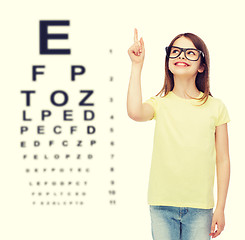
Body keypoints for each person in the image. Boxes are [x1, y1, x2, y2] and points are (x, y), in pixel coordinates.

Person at [127, 28, 231, 240]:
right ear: (168, 61)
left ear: (202, 66)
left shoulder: (216, 107)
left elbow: (223, 160)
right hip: (162, 204)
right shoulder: (159, 104)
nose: (181, 56)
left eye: (190, 53)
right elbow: (135, 112)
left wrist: (220, 208)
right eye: (175, 51)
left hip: (201, 207)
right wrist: (137, 66)